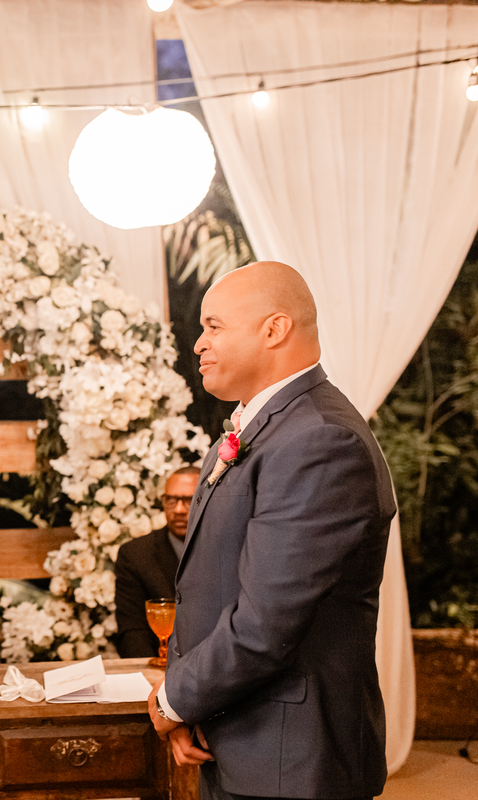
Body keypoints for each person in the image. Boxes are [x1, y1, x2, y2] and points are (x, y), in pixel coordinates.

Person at [147, 262, 395, 800]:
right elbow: (215, 590)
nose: (198, 343)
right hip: (238, 735)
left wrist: (174, 700)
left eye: (214, 326)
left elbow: (265, 623)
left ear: (274, 329)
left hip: (290, 759)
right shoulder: (258, 431)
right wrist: (194, 705)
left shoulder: (320, 441)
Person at [112, 465, 199, 658]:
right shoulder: (137, 555)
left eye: (189, 500)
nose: (178, 510)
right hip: (159, 666)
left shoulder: (229, 547)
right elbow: (132, 632)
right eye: (171, 500)